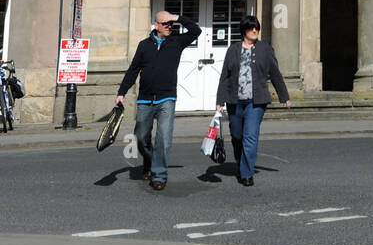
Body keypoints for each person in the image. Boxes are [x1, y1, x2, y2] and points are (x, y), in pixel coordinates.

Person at [115, 10, 201, 190]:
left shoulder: (177, 42)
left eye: (171, 23)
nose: (169, 26)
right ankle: (149, 159)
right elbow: (133, 70)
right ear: (156, 25)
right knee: (140, 137)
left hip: (166, 98)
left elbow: (196, 31)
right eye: (165, 23)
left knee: (163, 138)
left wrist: (177, 17)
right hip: (145, 99)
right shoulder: (144, 45)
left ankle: (159, 175)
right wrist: (122, 92)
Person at [216, 16, 290, 186]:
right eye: (251, 28)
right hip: (235, 101)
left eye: (256, 28)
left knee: (250, 136)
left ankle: (246, 173)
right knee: (237, 136)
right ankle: (240, 160)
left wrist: (284, 96)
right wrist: (220, 100)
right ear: (244, 31)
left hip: (255, 103)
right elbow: (225, 77)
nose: (255, 31)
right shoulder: (233, 50)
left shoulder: (265, 49)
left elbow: (275, 74)